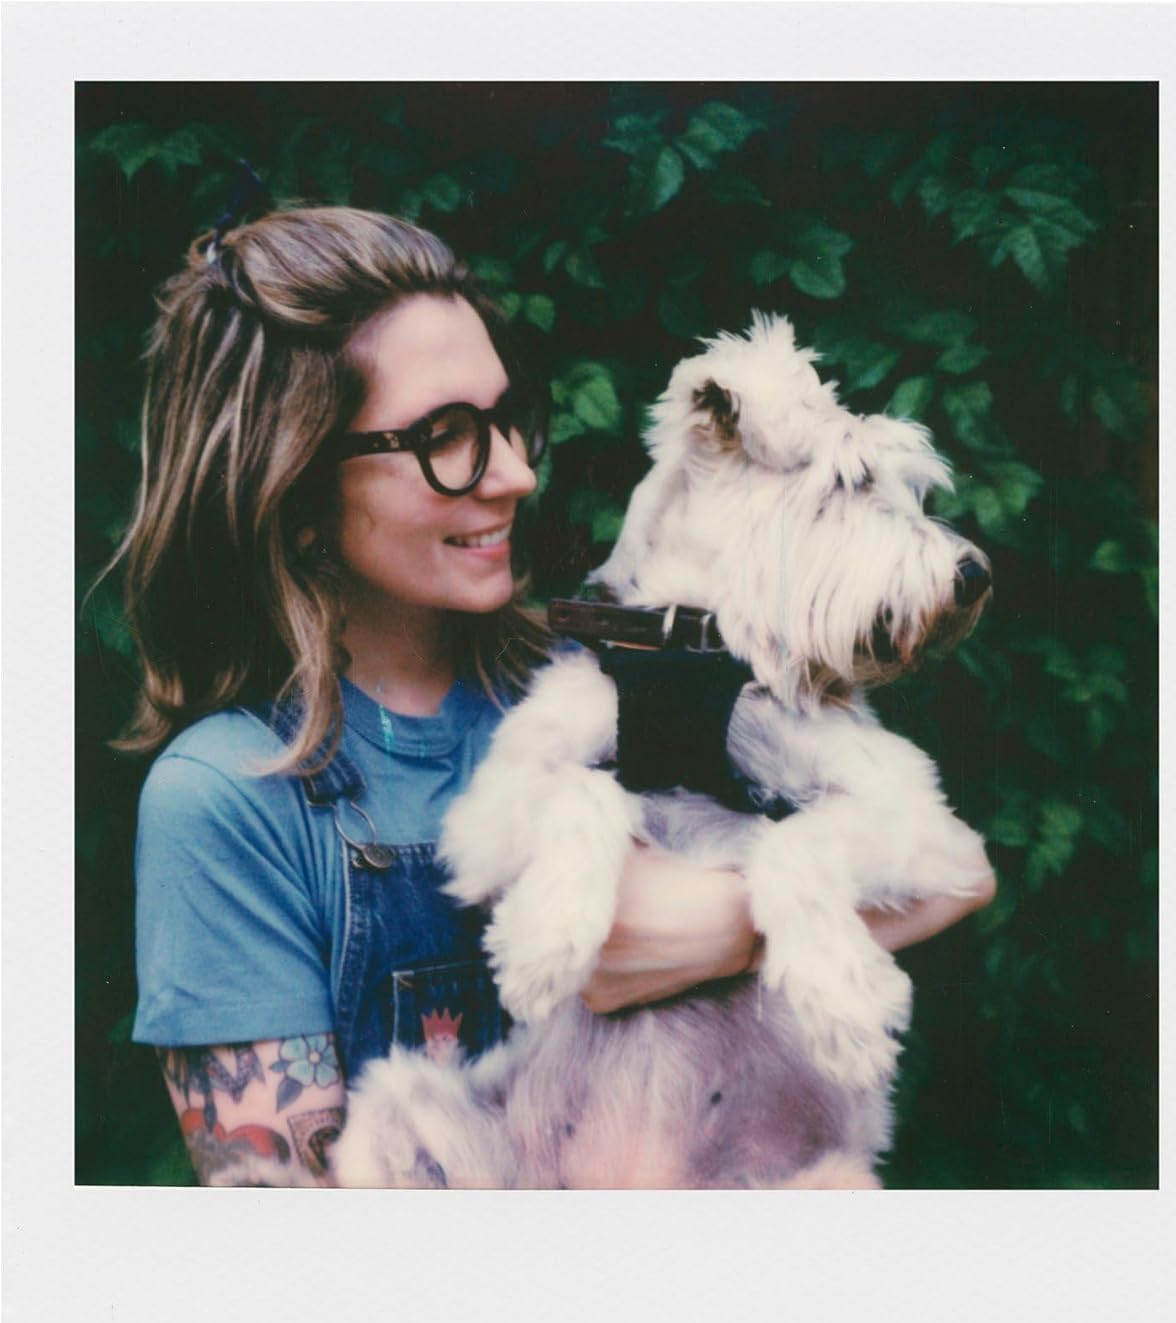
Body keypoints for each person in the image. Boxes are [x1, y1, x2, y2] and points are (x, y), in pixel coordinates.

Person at [119, 205, 994, 1187]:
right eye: (447, 437)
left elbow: (959, 872)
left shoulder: (615, 682)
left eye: (507, 419)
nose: (517, 473)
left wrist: (719, 926)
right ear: (296, 486)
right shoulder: (229, 799)